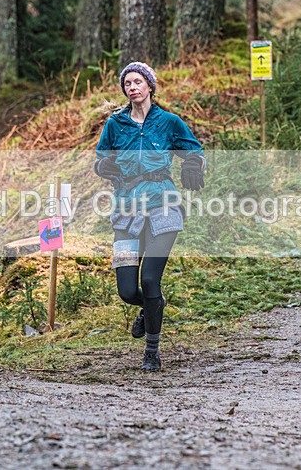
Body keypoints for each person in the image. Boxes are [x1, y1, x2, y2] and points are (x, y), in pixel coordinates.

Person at [94, 61, 205, 372]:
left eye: (138, 81)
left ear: (150, 87)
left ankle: (152, 353)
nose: (133, 87)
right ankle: (153, 305)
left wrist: (192, 165)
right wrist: (103, 167)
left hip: (163, 206)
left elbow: (193, 150)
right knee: (128, 290)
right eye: (127, 82)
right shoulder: (115, 124)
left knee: (150, 279)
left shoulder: (169, 122)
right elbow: (101, 157)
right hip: (126, 210)